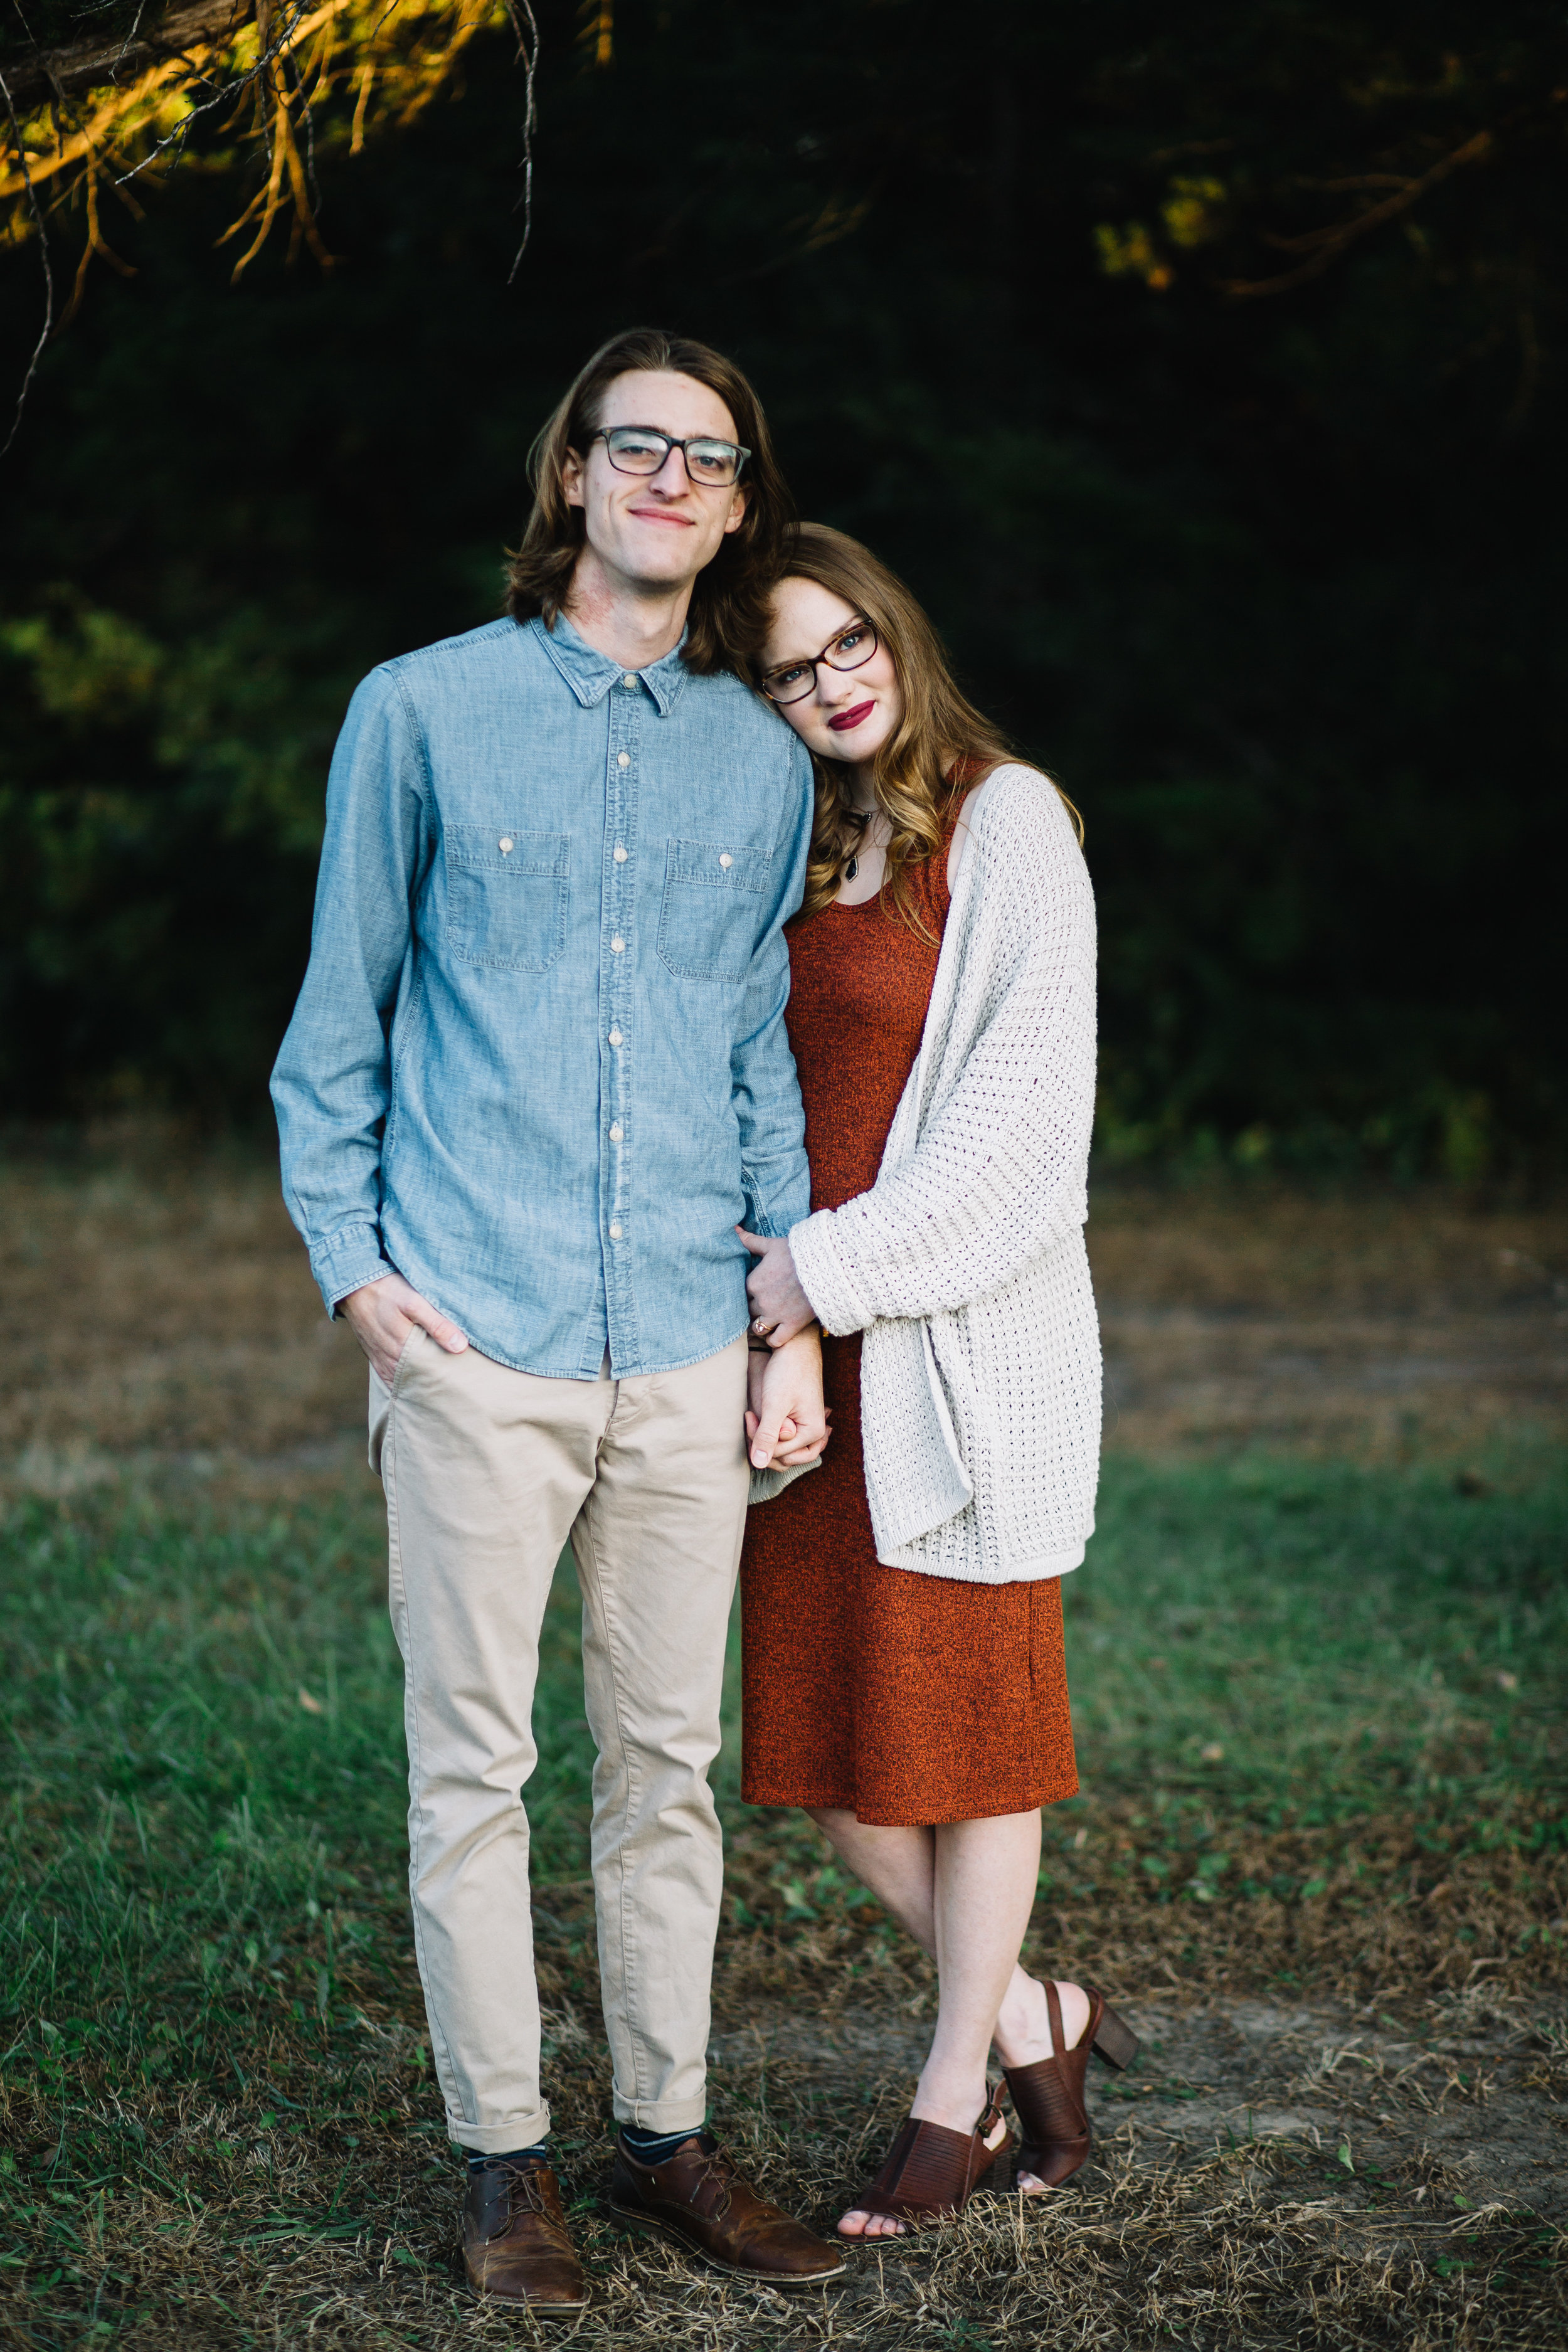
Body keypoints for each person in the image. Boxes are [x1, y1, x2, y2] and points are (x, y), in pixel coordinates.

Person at [271, 329, 841, 2315]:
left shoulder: (762, 760)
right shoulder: (416, 712)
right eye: (637, 445)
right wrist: (359, 1274)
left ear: (739, 502)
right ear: (573, 477)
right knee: (473, 1767)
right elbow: (335, 1021)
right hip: (476, 1334)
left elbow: (756, 1042)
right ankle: (503, 2165)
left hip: (688, 1330)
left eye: (710, 455)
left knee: (666, 1764)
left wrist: (786, 1315)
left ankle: (665, 2140)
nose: (671, 477)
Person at [739, 524, 1140, 2235]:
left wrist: (815, 1281)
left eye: (846, 646)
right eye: (781, 669)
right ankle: (1038, 2013)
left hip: (956, 1355)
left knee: (973, 1747)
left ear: (893, 633)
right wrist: (785, 1324)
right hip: (802, 1360)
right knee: (824, 1754)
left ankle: (950, 2088)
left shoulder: (1007, 819)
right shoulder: (792, 846)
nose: (825, 685)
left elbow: (1020, 1146)